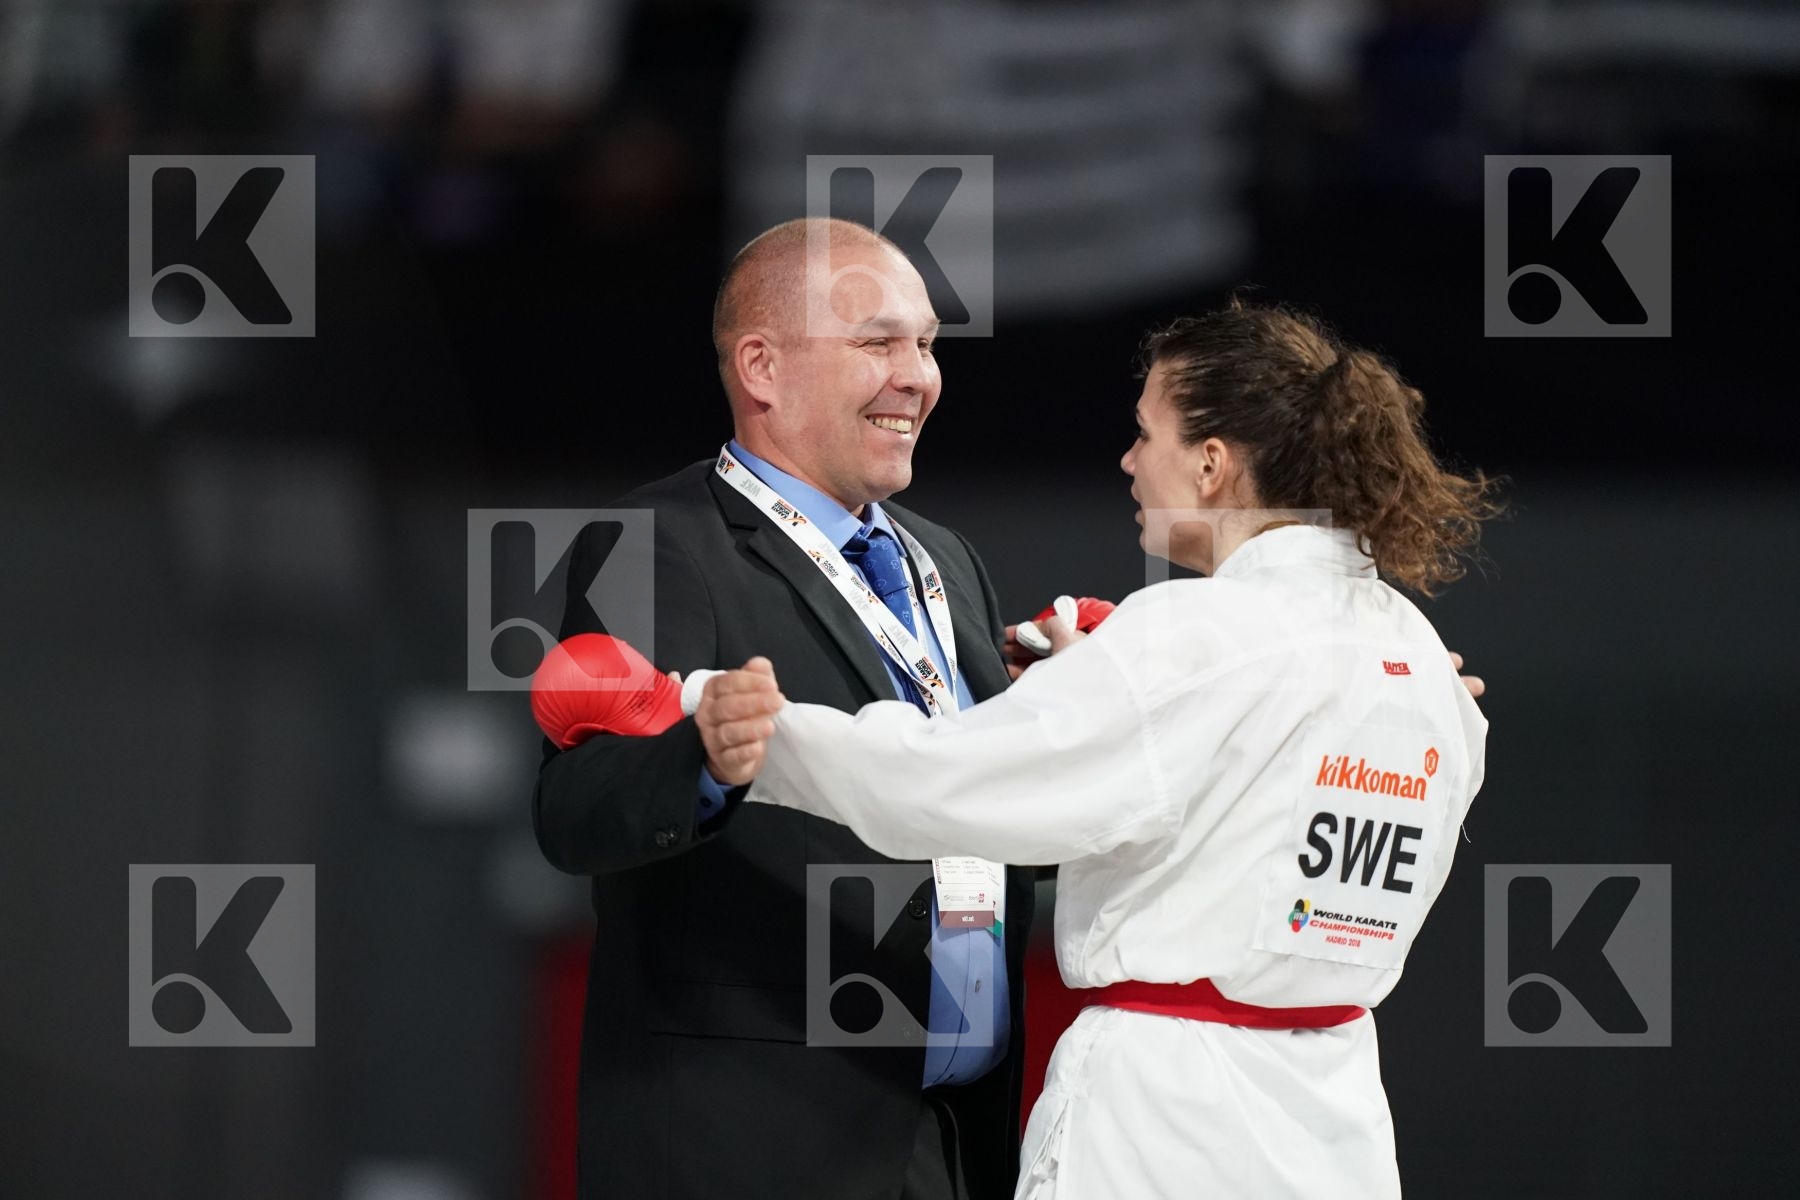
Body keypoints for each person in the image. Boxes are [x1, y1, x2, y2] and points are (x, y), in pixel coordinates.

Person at [695, 298, 1501, 1198]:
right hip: (1336, 1122)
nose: (1127, 460)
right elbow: (1241, 801)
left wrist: (736, 723)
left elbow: (937, 785)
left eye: (1144, 432)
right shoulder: (1419, 659)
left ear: (1210, 463)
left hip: (1163, 1123)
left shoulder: (1196, 634)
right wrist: (1098, 684)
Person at [532, 217, 1036, 1200]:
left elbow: (979, 807)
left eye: (927, 345)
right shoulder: (656, 541)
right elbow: (573, 810)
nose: (918, 376)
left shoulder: (947, 563)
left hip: (945, 1146)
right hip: (751, 1147)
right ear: (761, 367)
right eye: (879, 343)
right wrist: (704, 763)